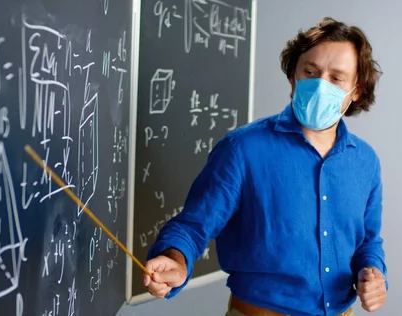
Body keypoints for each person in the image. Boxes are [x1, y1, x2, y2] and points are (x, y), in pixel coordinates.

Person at [143, 17, 388, 316]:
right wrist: (176, 260)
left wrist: (373, 274)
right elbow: (194, 225)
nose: (320, 85)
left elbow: (368, 240)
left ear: (357, 91)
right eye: (310, 72)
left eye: (336, 78)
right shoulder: (242, 148)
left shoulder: (365, 161)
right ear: (293, 75)